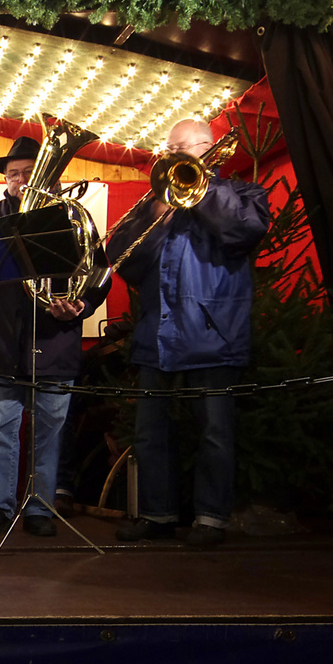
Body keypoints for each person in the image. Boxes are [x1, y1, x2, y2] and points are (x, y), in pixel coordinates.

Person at [107, 117, 270, 547]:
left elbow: (244, 231)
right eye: (168, 148)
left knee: (214, 431)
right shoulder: (155, 204)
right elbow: (122, 259)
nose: (170, 155)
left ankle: (210, 518)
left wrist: (200, 191)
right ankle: (157, 514)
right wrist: (155, 216)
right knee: (150, 431)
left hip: (214, 333)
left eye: (180, 149)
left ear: (206, 149)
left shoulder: (240, 193)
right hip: (156, 334)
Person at [0, 135, 106, 538]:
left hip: (54, 340)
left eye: (30, 172)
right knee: (1, 432)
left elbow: (98, 273)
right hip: (3, 344)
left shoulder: (71, 217)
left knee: (49, 432)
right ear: (5, 180)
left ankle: (40, 508)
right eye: (14, 174)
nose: (22, 180)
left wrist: (81, 306)